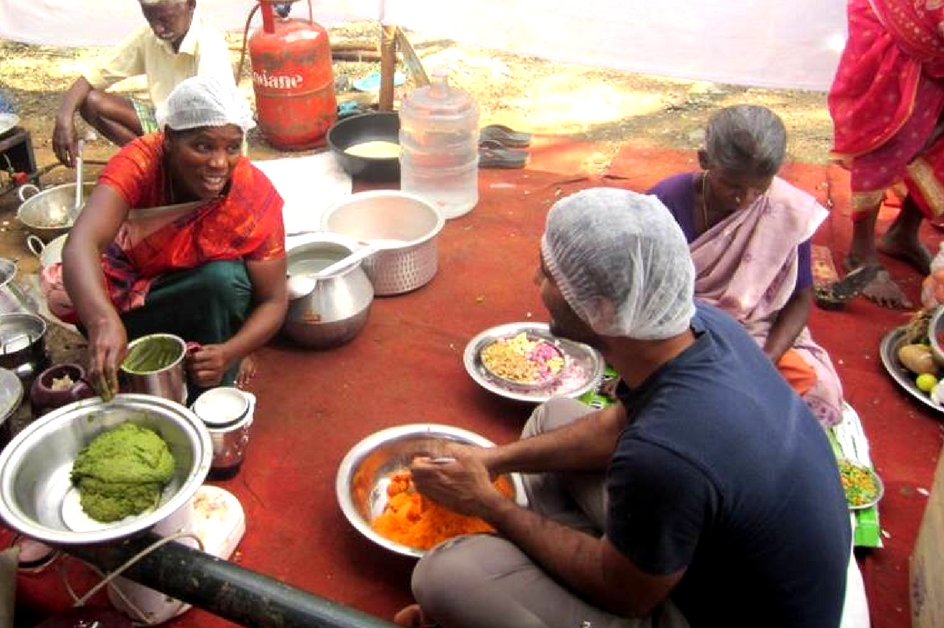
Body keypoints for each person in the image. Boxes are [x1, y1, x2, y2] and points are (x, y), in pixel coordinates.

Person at [395, 188, 852, 628]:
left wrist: (489, 503)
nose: (537, 282)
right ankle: (597, 548)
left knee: (444, 577)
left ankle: (586, 554)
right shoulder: (702, 326)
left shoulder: (665, 453)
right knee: (553, 417)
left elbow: (625, 594)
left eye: (550, 275)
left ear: (602, 310)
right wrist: (491, 459)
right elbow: (619, 425)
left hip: (700, 610)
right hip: (717, 549)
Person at [43, 76, 287, 398]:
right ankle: (128, 349)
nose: (218, 163)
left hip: (203, 297)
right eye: (202, 146)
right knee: (73, 293)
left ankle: (211, 388)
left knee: (223, 279)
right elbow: (82, 243)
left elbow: (273, 300)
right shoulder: (141, 162)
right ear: (169, 138)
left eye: (231, 147)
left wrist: (231, 350)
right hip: (140, 294)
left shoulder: (253, 196)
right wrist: (102, 320)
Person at [646, 105, 845, 427]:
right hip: (677, 328)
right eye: (733, 186)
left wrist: (765, 362)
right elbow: (643, 290)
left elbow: (799, 299)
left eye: (760, 187)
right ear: (704, 160)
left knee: (816, 388)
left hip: (755, 329)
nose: (747, 199)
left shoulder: (788, 210)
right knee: (689, 392)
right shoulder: (665, 200)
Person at [826, 0, 944, 309]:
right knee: (892, 136)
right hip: (903, 23)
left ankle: (903, 232)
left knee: (937, 132)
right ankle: (860, 251)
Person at [51, 0, 234, 167]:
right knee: (90, 102)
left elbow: (214, 125)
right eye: (150, 19)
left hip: (203, 137)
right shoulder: (149, 36)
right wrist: (64, 119)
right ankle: (153, 163)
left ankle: (160, 166)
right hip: (164, 125)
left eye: (166, 19)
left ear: (191, 5)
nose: (158, 29)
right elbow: (93, 75)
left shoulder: (210, 46)